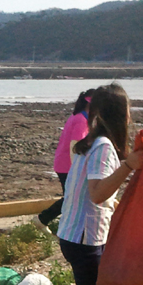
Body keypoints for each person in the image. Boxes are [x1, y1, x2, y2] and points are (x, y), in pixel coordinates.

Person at [39, 83, 143, 285]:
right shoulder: (102, 147)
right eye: (128, 109)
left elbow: (93, 193)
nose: (130, 115)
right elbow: (98, 193)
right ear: (120, 113)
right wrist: (129, 166)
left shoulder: (89, 143)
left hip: (75, 234)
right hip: (83, 239)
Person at [34, 89, 95, 231]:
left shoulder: (80, 117)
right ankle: (42, 219)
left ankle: (60, 223)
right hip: (67, 165)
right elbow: (75, 145)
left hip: (64, 163)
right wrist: (77, 169)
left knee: (72, 197)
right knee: (71, 197)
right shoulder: (81, 120)